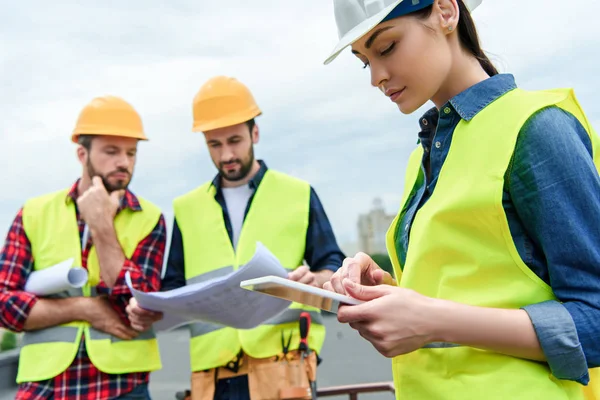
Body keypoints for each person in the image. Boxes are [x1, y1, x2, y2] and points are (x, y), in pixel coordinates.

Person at [321, 0, 600, 399]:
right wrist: (390, 290)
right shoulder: (423, 157)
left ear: (446, 12)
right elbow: (475, 289)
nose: (377, 77)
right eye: (364, 61)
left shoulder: (537, 129)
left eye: (386, 48)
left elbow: (596, 318)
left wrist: (432, 319)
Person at [127, 76, 345, 400]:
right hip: (211, 375)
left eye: (235, 141)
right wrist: (149, 307)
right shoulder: (186, 209)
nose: (226, 154)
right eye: (215, 145)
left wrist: (317, 278)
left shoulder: (298, 195)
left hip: (283, 367)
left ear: (254, 134)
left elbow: (332, 264)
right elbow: (173, 287)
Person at [0, 95, 167, 399]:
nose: (124, 162)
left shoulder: (150, 218)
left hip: (122, 386)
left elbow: (135, 306)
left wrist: (102, 226)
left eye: (131, 152)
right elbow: (4, 306)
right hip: (45, 386)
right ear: (82, 154)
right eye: (111, 151)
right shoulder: (34, 213)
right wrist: (83, 307)